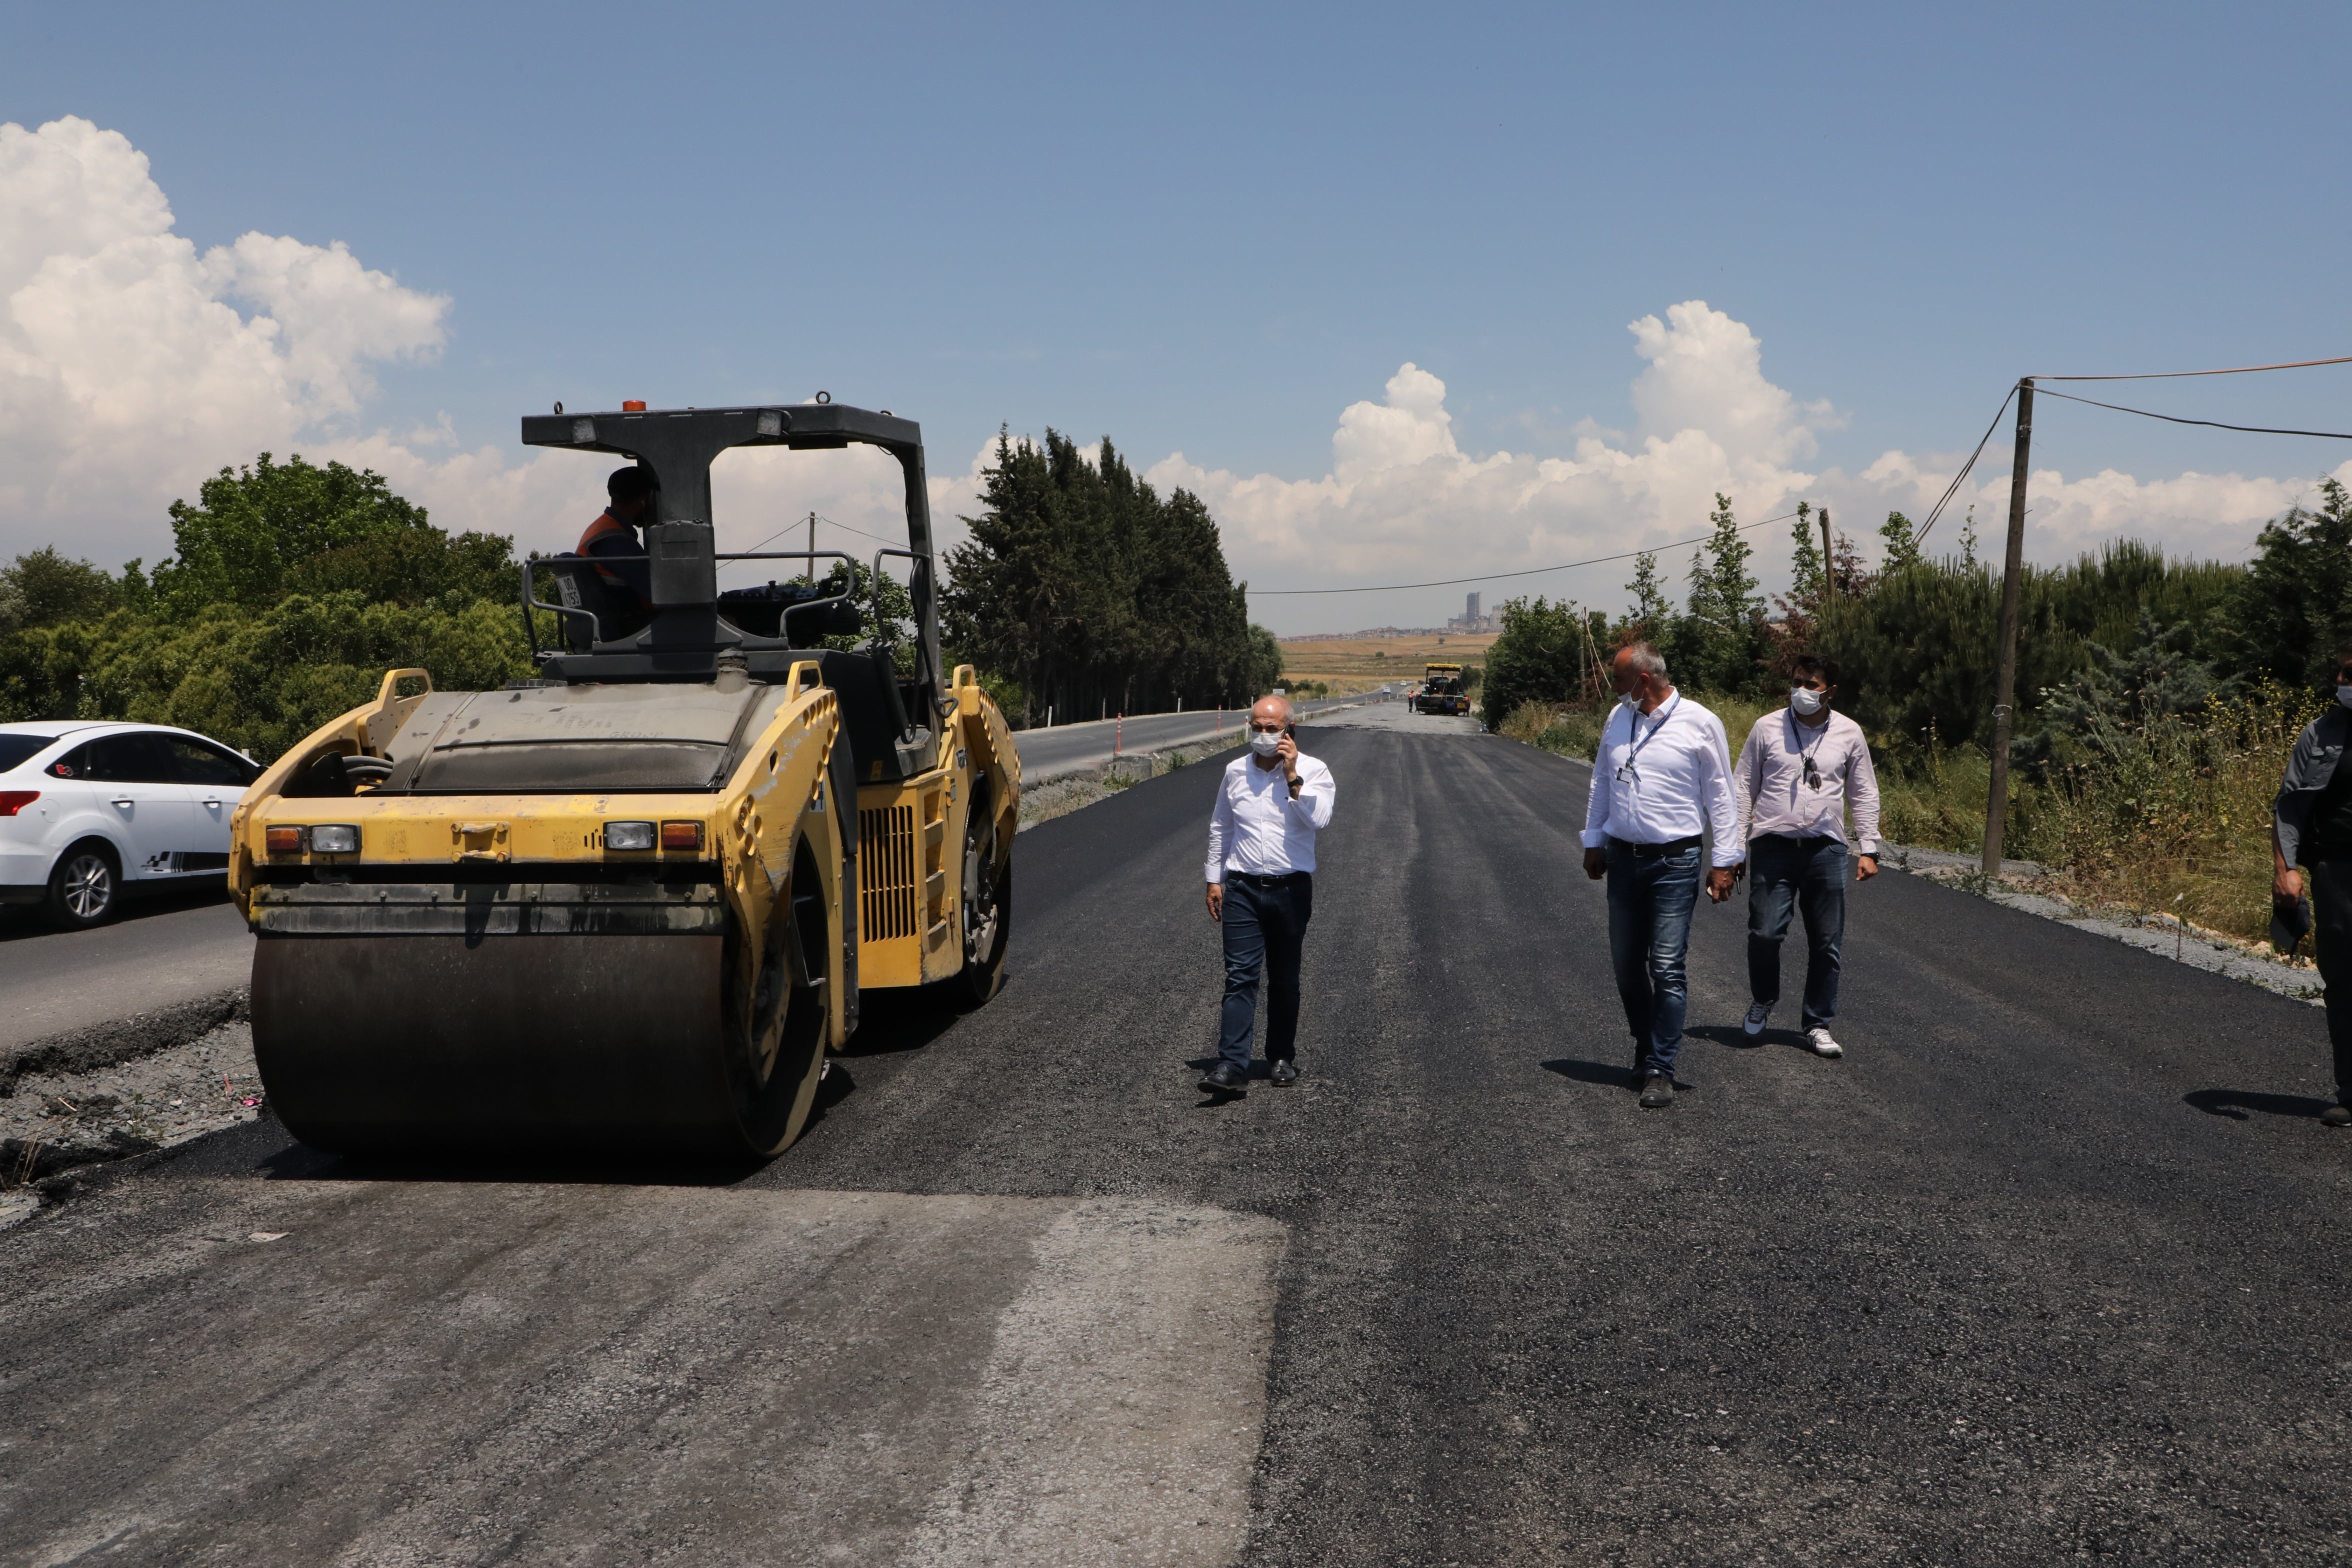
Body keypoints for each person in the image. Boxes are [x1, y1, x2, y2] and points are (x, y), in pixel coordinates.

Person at [1580, 642, 1741, 1109]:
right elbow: (1601, 781)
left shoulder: (1699, 722)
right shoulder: (1618, 717)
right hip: (1624, 860)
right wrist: (1594, 840)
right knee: (1627, 966)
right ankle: (1645, 1040)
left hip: (1675, 862)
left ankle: (1659, 1068)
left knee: (1667, 967)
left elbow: (1722, 796)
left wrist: (1725, 860)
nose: (1614, 688)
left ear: (1644, 679)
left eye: (1619, 679)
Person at [1733, 653, 1881, 1060]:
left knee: (1827, 943)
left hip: (1826, 850)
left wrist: (1869, 847)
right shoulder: (1767, 728)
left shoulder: (1849, 733)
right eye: (1797, 681)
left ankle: (1817, 1023)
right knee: (1764, 933)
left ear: (1830, 691)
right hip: (1772, 846)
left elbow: (1864, 791)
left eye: (1811, 684)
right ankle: (1763, 999)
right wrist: (1732, 846)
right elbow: (1743, 786)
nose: (1801, 690)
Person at [1202, 694, 1337, 1094]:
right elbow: (1220, 827)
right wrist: (1214, 879)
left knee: (1285, 977)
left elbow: (1320, 820)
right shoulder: (1234, 772)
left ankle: (1281, 1057)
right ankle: (1231, 1065)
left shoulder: (1315, 770)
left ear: (1289, 729)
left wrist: (1293, 777)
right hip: (1243, 887)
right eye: (1257, 727)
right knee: (1240, 976)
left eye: (1272, 729)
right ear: (1248, 725)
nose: (1263, 735)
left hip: (1291, 889)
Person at [2270, 640, 2352, 1128]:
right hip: (2336, 873)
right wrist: (2288, 869)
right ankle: (2350, 1090)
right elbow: (2289, 806)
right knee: (2344, 981)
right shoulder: (2319, 734)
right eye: (2343, 675)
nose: (2346, 684)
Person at [576, 466, 659, 613]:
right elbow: (657, 591)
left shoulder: (600, 529)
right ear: (643, 501)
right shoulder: (616, 541)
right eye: (652, 497)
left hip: (609, 620)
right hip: (628, 624)